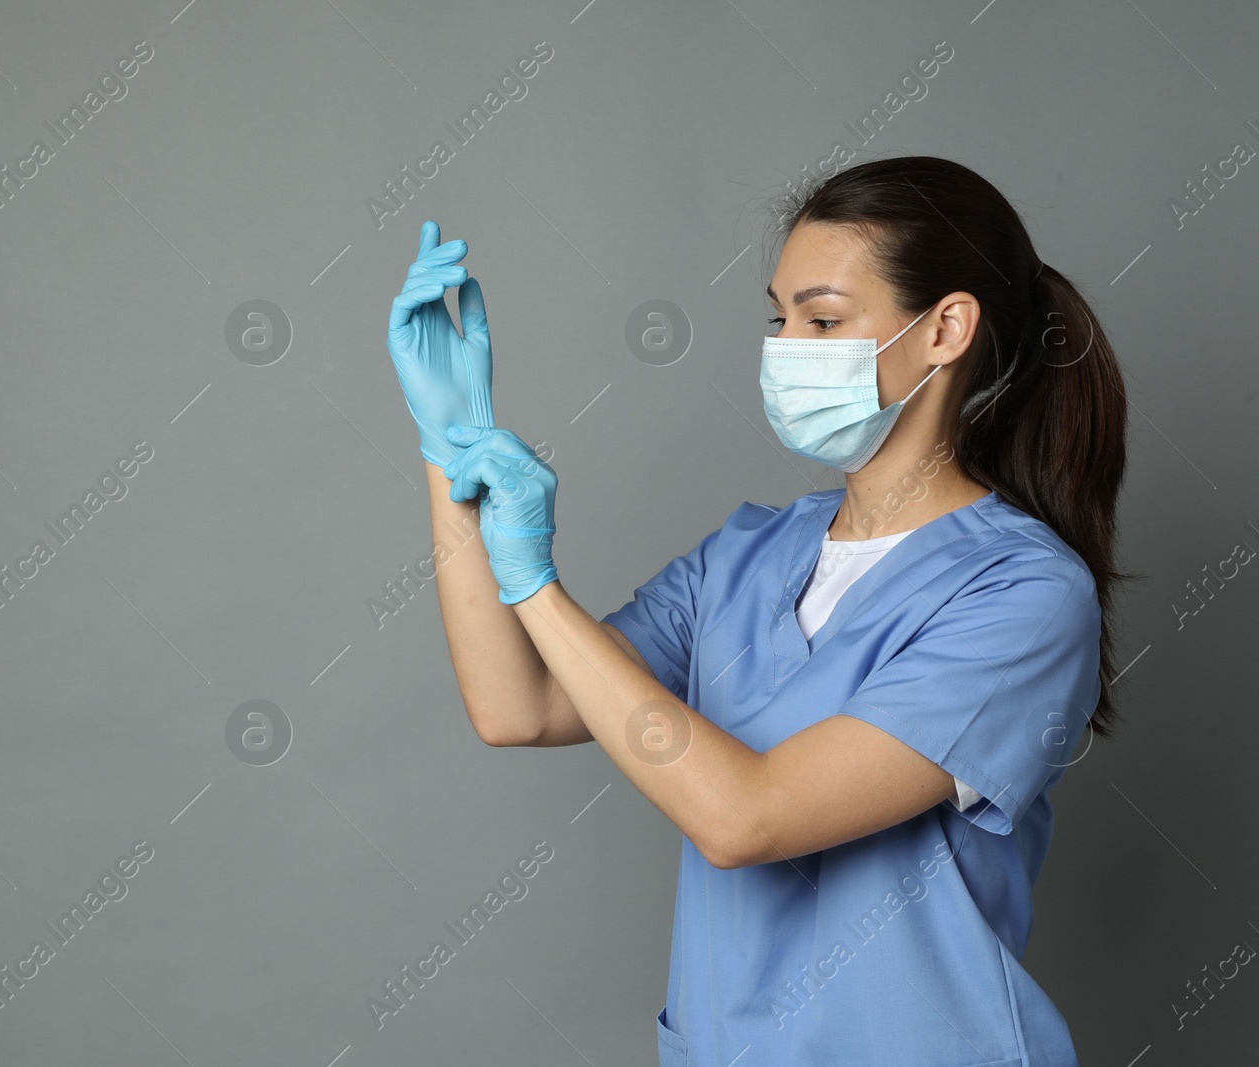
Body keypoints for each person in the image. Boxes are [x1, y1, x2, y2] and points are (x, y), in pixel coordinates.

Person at [383, 155, 1133, 1066]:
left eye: (822, 318)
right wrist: (448, 450)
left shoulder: (1021, 594)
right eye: (778, 317)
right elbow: (519, 704)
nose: (785, 346)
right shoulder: (750, 553)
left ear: (945, 328)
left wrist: (536, 581)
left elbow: (749, 818)